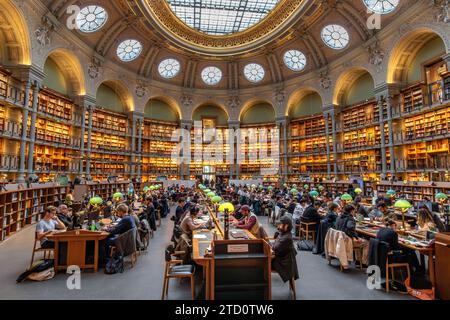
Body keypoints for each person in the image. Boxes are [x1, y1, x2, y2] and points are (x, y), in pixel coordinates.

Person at [271, 213, 299, 283]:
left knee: (263, 263)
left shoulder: (287, 238)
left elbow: (275, 248)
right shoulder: (284, 233)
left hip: (283, 263)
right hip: (283, 259)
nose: (279, 226)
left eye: (280, 224)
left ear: (286, 226)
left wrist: (273, 243)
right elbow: (275, 245)